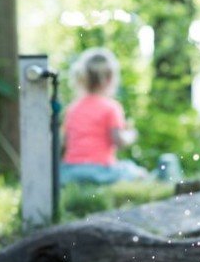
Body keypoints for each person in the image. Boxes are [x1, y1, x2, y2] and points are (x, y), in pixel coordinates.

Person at [60, 48, 148, 186]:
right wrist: (131, 135)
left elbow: (65, 142)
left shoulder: (72, 108)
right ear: (109, 78)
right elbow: (119, 141)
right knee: (138, 172)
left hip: (70, 172)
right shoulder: (111, 107)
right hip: (101, 171)